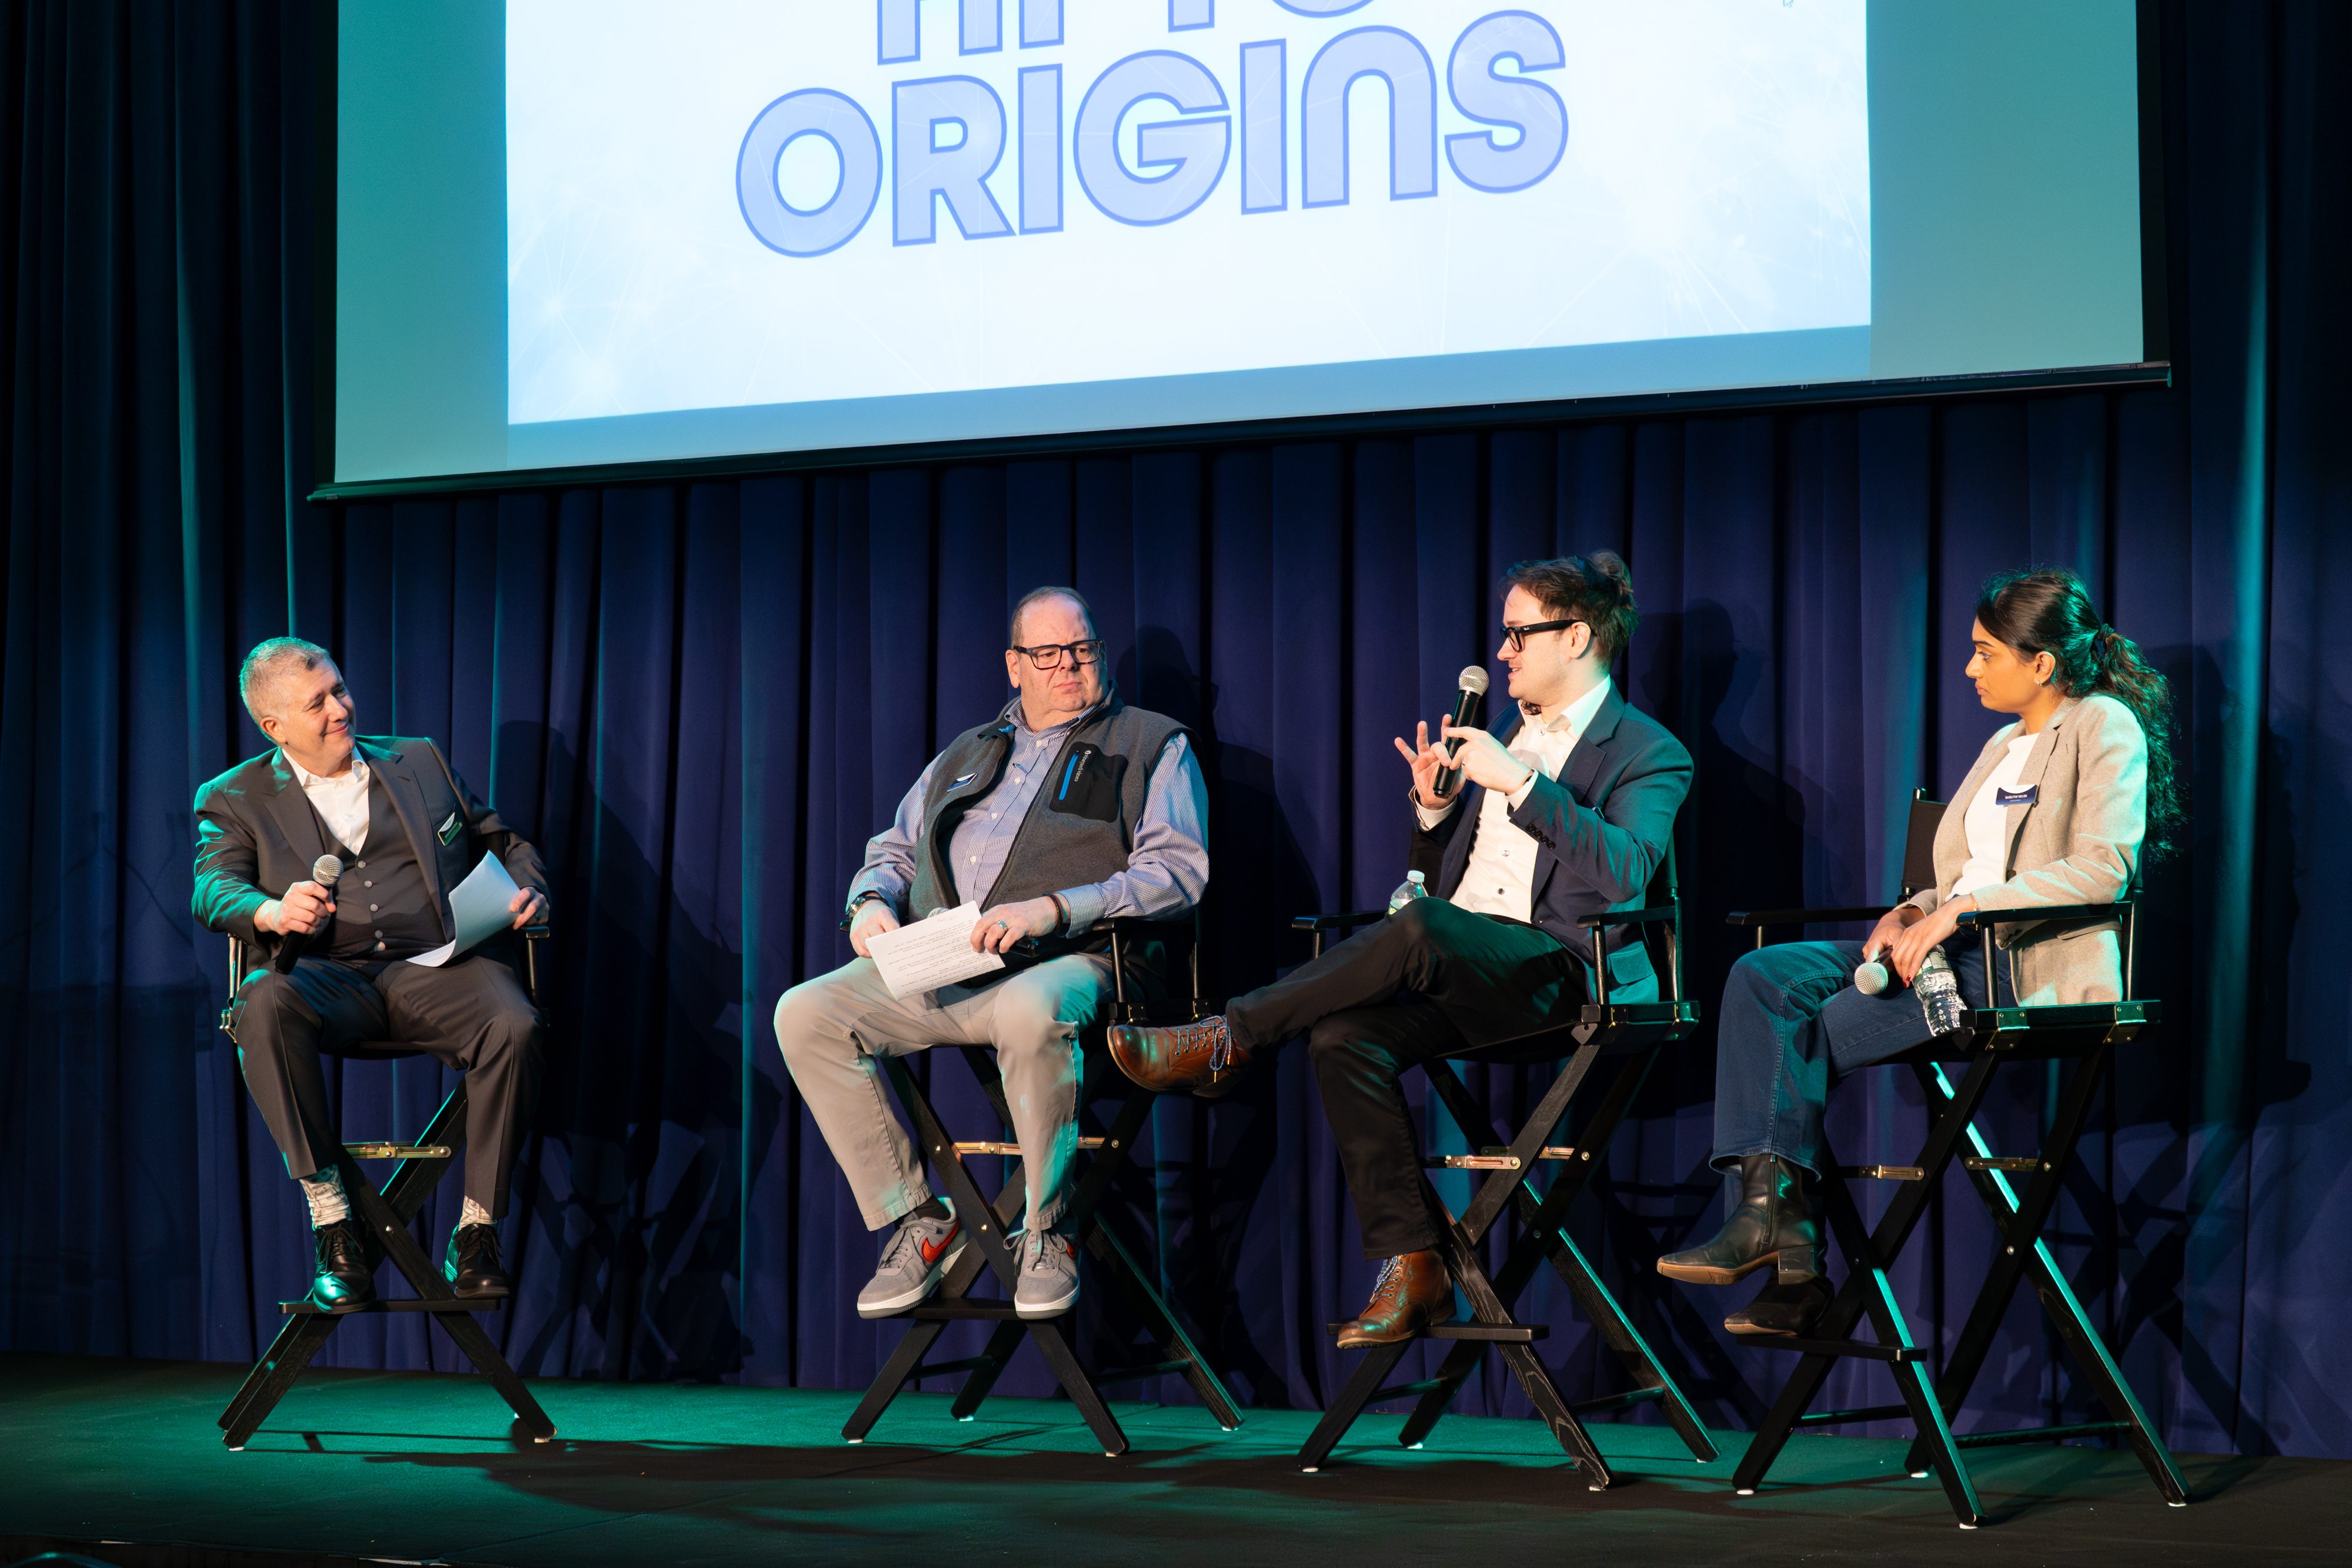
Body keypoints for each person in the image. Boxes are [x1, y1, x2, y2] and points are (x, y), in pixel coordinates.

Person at [1107, 556, 1690, 1346]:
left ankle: (1229, 1035)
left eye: (1521, 633)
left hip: (1566, 973)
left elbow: (1629, 869)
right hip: (1467, 959)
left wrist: (1520, 784)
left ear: (1578, 636)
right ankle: (1416, 1262)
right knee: (1342, 1036)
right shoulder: (1506, 737)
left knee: (1419, 930)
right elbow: (1444, 881)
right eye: (1507, 633)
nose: (1506, 650)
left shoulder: (1647, 750)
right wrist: (1434, 808)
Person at [1656, 567, 2179, 1336]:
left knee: (1788, 1045)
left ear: (2041, 662)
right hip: (1946, 949)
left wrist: (1959, 908)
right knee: (1762, 974)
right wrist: (1913, 907)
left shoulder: (2103, 724)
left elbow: (2106, 867)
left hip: (2015, 968)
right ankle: (1785, 1242)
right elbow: (1954, 873)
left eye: (1985, 653)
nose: (1969, 669)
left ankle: (1792, 1255)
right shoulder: (2004, 742)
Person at [773, 587, 1208, 1321]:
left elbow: (1176, 873)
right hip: (947, 960)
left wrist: (1055, 908)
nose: (1069, 666)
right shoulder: (969, 752)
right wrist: (870, 903)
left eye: (1083, 649)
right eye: (1049, 654)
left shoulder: (1149, 742)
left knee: (1035, 1011)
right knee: (806, 1011)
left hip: (1072, 959)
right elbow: (895, 848)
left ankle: (1047, 1230)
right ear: (1015, 665)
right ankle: (915, 1217)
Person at [193, 638, 550, 1311]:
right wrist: (270, 910)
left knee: (515, 1021)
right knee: (261, 1006)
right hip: (329, 980)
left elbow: (503, 841)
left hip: (437, 970)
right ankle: (334, 1221)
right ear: (275, 727)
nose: (340, 708)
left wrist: (528, 890)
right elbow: (212, 890)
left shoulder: (417, 759)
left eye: (339, 689)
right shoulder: (233, 796)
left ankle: (477, 1231)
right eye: (317, 702)